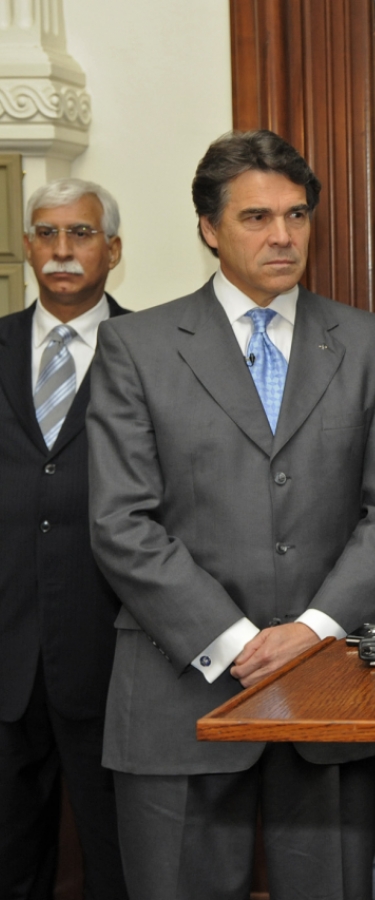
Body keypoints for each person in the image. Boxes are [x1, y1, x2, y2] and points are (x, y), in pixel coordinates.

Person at [87, 131, 375, 900]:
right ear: (208, 228)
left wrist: (307, 634)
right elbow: (121, 521)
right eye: (256, 218)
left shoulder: (371, 345)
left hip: (328, 696)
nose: (283, 236)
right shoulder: (134, 347)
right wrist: (237, 641)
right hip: (180, 696)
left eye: (297, 215)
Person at [0, 179, 129, 899]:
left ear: (112, 248)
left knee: (118, 864)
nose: (61, 251)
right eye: (46, 234)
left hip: (112, 655)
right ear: (27, 247)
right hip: (5, 654)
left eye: (80, 234)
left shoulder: (155, 351)